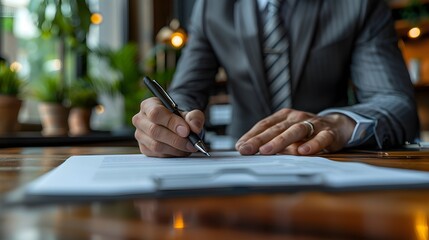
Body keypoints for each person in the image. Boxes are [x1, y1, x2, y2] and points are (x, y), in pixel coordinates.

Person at [133, 0, 419, 158]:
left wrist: (339, 123)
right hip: (240, 164)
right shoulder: (211, 7)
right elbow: (185, 93)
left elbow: (396, 104)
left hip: (327, 159)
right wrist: (171, 123)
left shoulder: (359, 5)